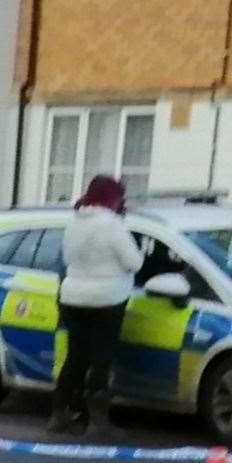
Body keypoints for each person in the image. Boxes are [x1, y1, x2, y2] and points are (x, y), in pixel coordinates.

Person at [51, 175, 143, 434]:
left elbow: (67, 257)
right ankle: (97, 420)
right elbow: (134, 263)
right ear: (112, 197)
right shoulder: (112, 225)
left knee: (75, 357)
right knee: (101, 359)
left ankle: (59, 413)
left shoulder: (74, 222)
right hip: (107, 300)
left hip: (73, 297)